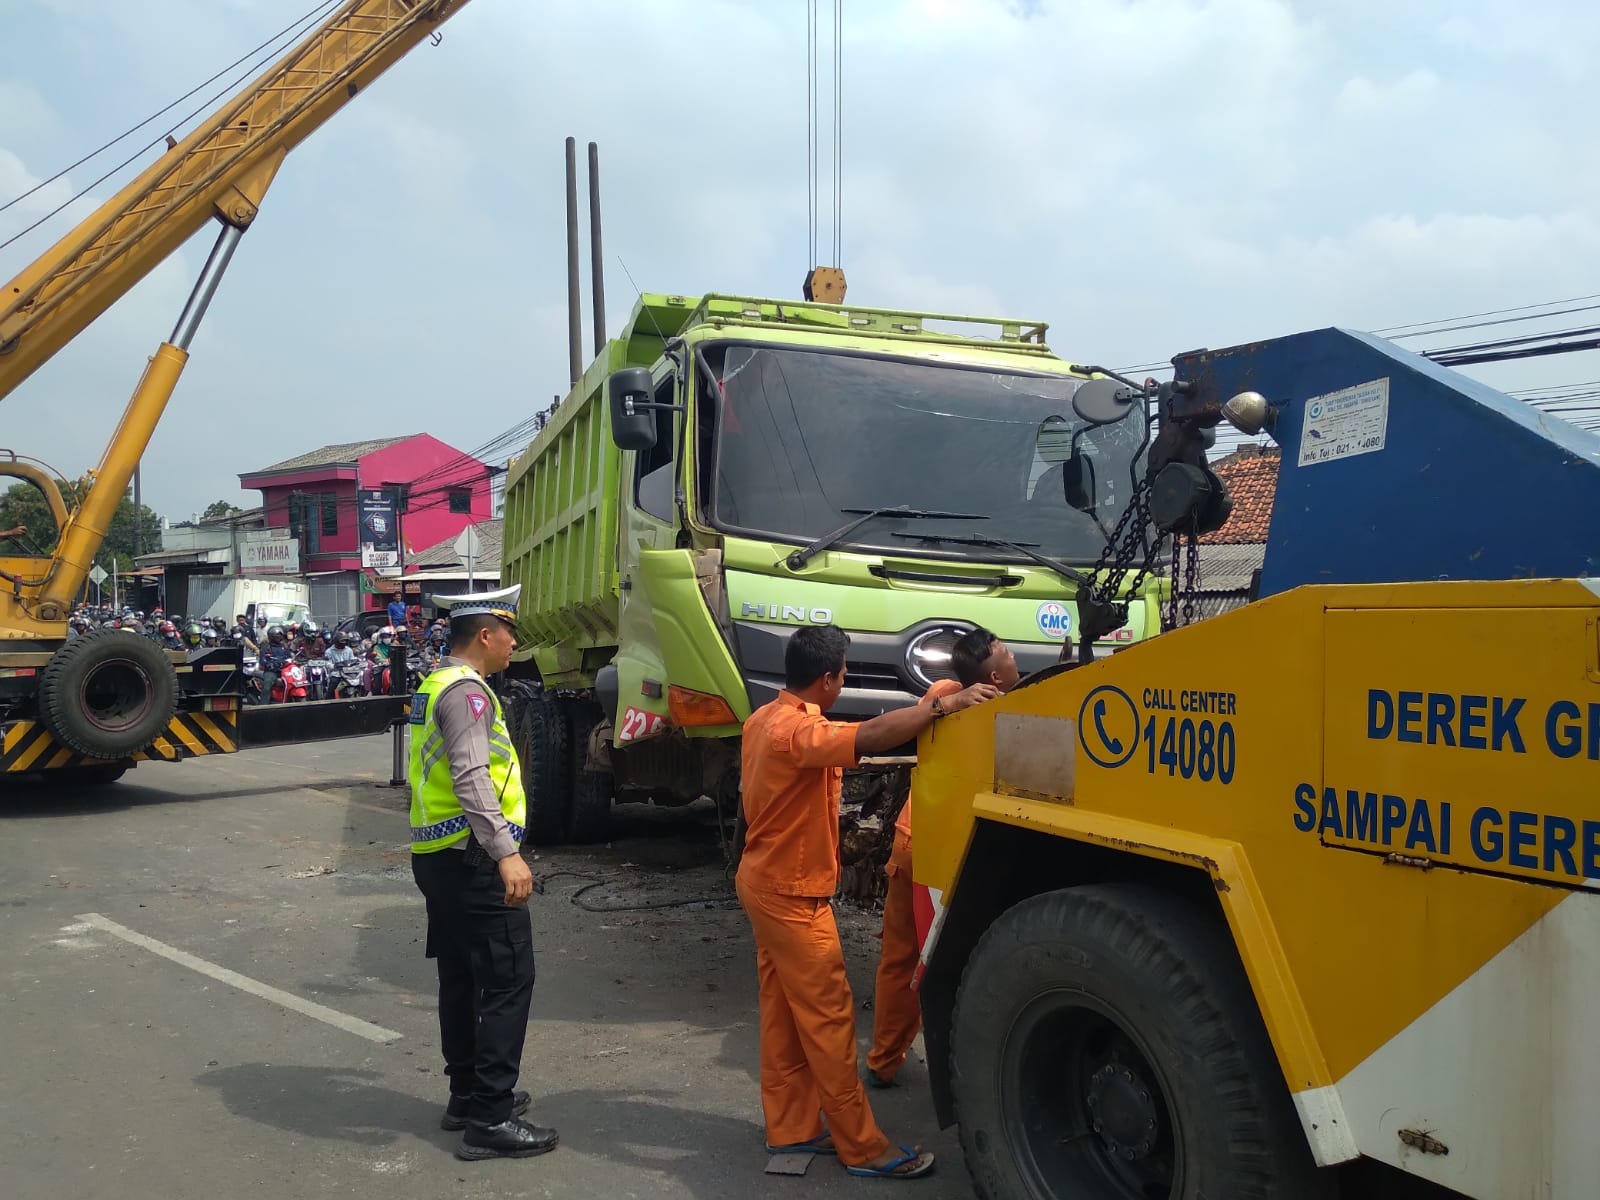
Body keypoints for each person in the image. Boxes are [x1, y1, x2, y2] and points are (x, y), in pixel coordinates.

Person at [736, 624, 998, 1180]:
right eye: (845, 672)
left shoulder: (763, 719)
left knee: (783, 1012)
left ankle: (793, 1128)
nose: (846, 678)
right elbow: (871, 735)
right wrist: (938, 710)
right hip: (791, 893)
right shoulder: (797, 734)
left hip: (764, 882)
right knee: (829, 1021)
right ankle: (862, 1147)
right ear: (829, 678)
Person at [408, 584, 557, 1162]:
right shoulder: (468, 694)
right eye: (508, 631)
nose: (514, 642)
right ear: (485, 636)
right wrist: (506, 852)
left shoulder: (433, 684)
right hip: (471, 860)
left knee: (461, 978)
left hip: (437, 858)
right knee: (507, 980)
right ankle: (489, 1118)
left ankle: (466, 1095)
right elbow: (472, 778)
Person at [866, 627, 1019, 1090]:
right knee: (962, 960)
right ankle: (970, 1071)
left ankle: (883, 1060)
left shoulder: (945, 693)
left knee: (900, 959)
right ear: (994, 674)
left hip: (911, 842)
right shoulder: (1004, 712)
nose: (1016, 657)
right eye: (1009, 651)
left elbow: (927, 707)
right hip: (948, 854)